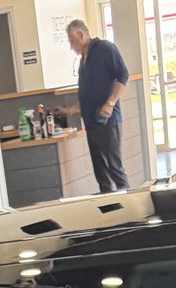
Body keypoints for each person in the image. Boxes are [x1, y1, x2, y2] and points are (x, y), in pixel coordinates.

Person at [67, 17, 129, 192]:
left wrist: (110, 103)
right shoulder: (83, 62)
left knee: (114, 166)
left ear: (81, 34)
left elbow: (123, 75)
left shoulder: (105, 49)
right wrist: (70, 109)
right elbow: (87, 93)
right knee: (100, 171)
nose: (71, 46)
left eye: (72, 41)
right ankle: (108, 206)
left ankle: (128, 205)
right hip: (91, 121)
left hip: (108, 120)